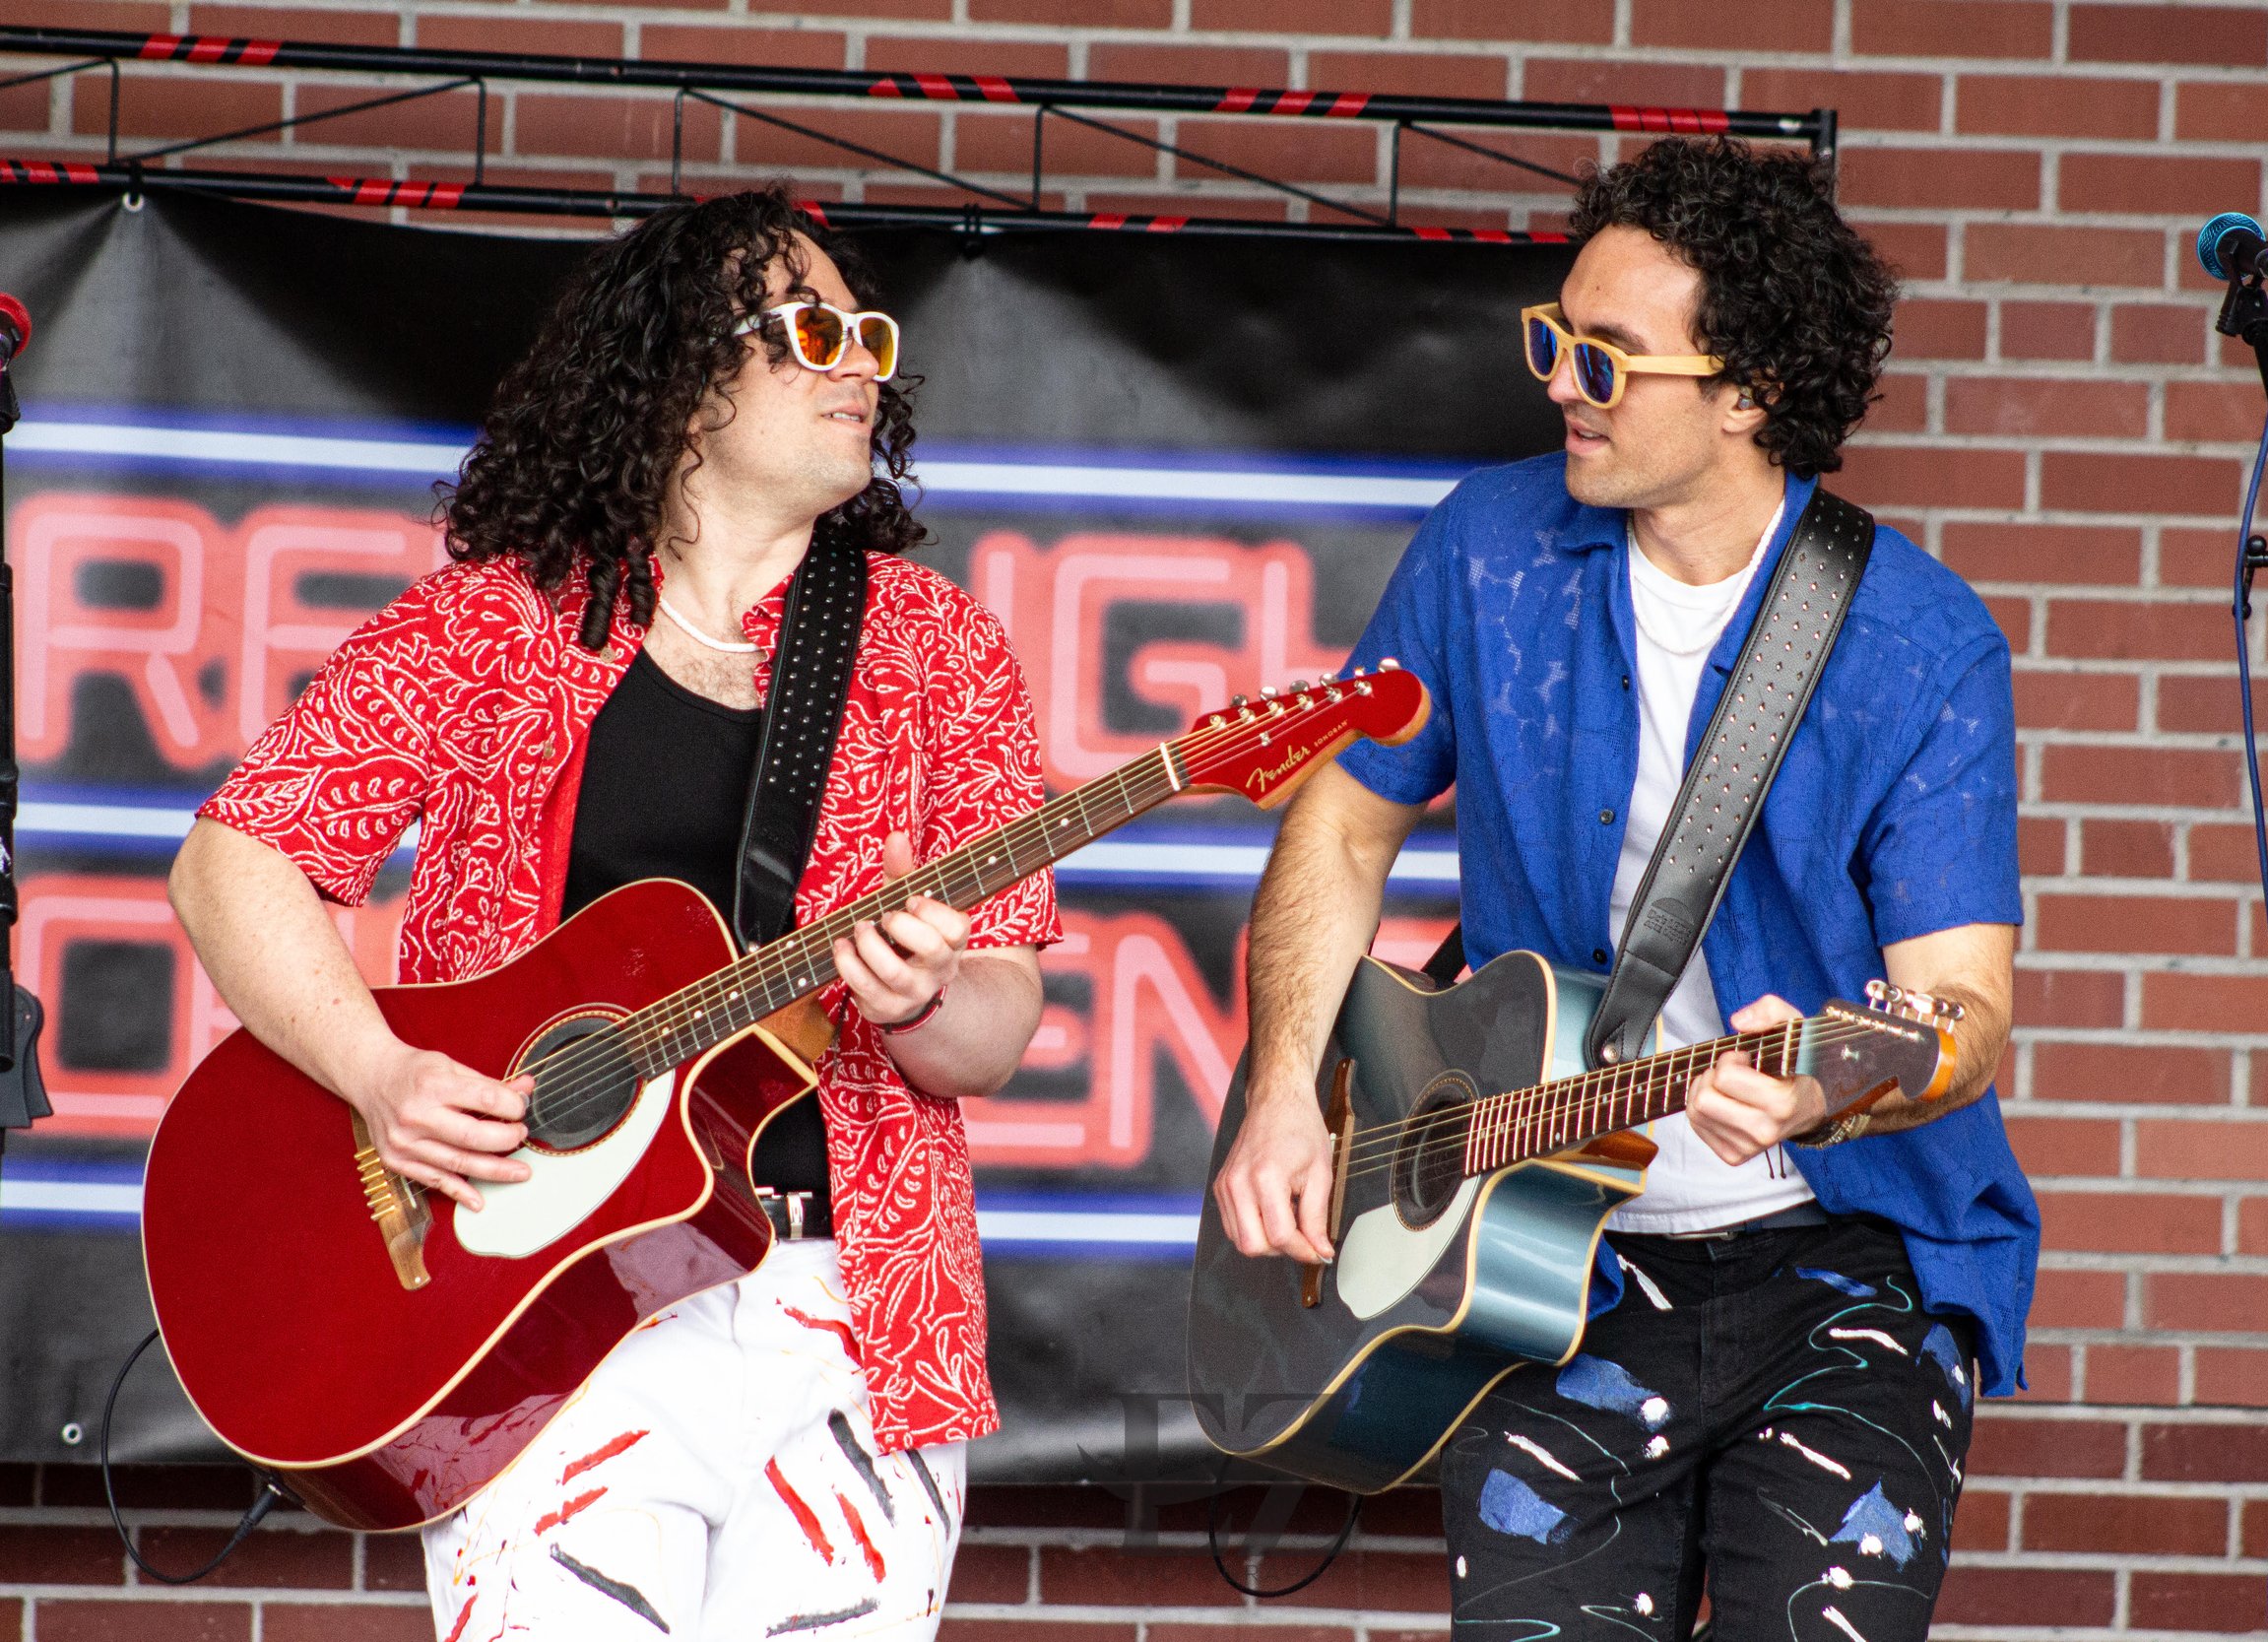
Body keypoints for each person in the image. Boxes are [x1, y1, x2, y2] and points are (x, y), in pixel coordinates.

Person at [166, 187, 1057, 1641]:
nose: (861, 366)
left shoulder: (941, 647)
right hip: (548, 1309)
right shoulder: (499, 623)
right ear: (685, 376)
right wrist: (379, 1075)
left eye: (872, 336)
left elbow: (995, 1028)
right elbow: (235, 862)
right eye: (814, 330)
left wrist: (921, 995)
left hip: (855, 1315)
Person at [1211, 138, 2036, 1640]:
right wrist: (1280, 1091)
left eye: (1610, 357)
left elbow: (1964, 1013)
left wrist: (1829, 1086)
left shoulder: (1922, 645)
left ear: (1751, 391)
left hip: (1839, 1266)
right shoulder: (1486, 549)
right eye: (1554, 338)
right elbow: (1340, 828)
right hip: (1547, 1262)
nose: (1561, 382)